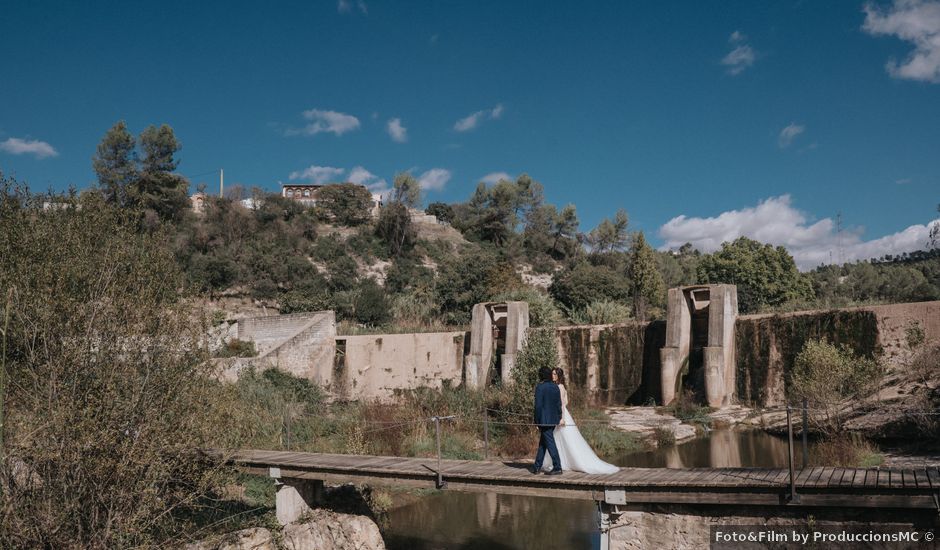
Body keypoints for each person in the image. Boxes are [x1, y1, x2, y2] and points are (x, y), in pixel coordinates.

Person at [542, 367, 619, 475]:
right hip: (559, 415)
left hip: (561, 416)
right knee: (558, 440)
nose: (552, 376)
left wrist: (562, 418)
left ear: (559, 376)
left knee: (566, 439)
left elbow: (563, 405)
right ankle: (561, 463)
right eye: (552, 374)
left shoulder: (559, 387)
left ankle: (565, 463)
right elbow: (566, 401)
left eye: (555, 374)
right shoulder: (558, 386)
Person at [531, 366, 563, 475]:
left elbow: (538, 406)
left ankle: (557, 466)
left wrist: (536, 420)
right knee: (543, 443)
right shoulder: (555, 387)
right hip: (553, 420)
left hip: (544, 420)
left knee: (549, 442)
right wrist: (559, 417)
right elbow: (559, 404)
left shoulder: (540, 387)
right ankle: (537, 466)